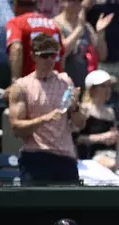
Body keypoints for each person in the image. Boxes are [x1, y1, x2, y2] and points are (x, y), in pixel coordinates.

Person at [8, 34, 85, 185]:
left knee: (72, 208)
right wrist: (44, 119)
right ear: (33, 57)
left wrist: (75, 107)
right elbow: (17, 128)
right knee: (35, 208)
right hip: (36, 157)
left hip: (66, 157)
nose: (50, 60)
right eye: (45, 56)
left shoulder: (66, 82)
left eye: (53, 55)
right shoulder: (21, 86)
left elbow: (80, 124)